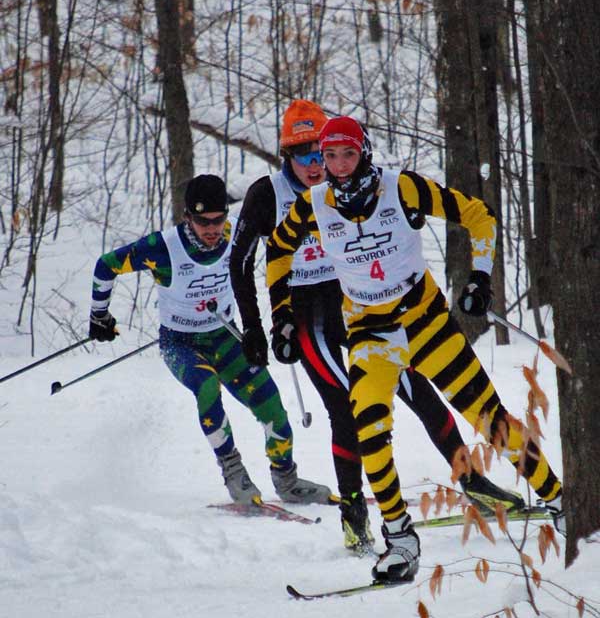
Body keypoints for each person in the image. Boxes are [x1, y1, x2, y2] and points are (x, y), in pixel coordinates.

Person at [265, 115, 565, 582]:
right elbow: (279, 250)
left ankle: (559, 499)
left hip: (427, 323)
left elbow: (478, 216)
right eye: (329, 156)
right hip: (369, 335)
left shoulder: (401, 187)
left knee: (489, 417)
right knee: (370, 434)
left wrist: (481, 279)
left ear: (363, 152)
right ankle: (401, 540)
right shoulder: (314, 203)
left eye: (347, 154)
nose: (339, 167)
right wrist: (281, 315)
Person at [88, 173, 332, 507]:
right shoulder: (164, 247)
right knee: (206, 385)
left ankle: (287, 480)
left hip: (226, 337)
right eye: (203, 221)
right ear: (187, 216)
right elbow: (106, 266)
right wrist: (99, 315)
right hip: (181, 344)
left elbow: (289, 238)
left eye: (218, 220)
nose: (212, 229)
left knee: (272, 404)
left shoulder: (235, 234)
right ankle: (233, 471)